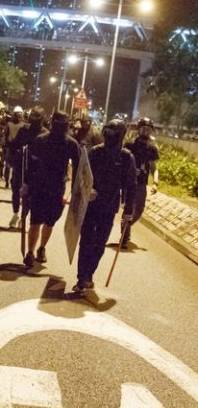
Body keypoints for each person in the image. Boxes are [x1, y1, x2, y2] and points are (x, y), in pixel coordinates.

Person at [74, 119, 137, 293]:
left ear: (121, 135)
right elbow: (82, 176)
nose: (108, 136)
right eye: (106, 131)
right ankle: (81, 278)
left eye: (113, 133)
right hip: (91, 205)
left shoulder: (126, 158)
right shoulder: (95, 152)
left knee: (100, 244)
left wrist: (129, 211)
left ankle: (89, 273)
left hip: (109, 207)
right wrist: (89, 189)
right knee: (86, 241)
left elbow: (131, 185)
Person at [22, 111, 80, 268]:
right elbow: (29, 164)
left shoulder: (71, 144)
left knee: (49, 222)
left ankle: (41, 248)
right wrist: (26, 184)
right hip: (39, 187)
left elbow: (78, 167)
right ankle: (30, 252)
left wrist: (76, 189)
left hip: (57, 189)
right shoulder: (40, 141)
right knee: (35, 221)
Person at [121, 117, 160, 248]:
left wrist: (155, 182)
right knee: (129, 208)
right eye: (143, 129)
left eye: (148, 130)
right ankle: (125, 236)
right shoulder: (130, 145)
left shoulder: (152, 149)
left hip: (142, 184)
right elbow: (122, 163)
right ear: (138, 130)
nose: (145, 132)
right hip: (129, 183)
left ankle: (126, 225)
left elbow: (154, 167)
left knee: (139, 210)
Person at [7, 106, 43, 229]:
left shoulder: (45, 134)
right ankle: (16, 213)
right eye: (32, 117)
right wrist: (14, 155)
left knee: (29, 195)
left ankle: (24, 216)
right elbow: (14, 145)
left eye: (37, 118)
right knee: (16, 190)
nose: (34, 121)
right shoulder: (24, 129)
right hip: (20, 166)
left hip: (35, 171)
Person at [3, 106, 25, 191]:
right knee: (8, 166)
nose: (19, 116)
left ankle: (13, 182)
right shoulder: (9, 124)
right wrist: (3, 146)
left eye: (20, 114)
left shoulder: (23, 125)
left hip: (19, 149)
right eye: (17, 114)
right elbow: (5, 135)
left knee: (16, 168)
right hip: (9, 147)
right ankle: (6, 181)